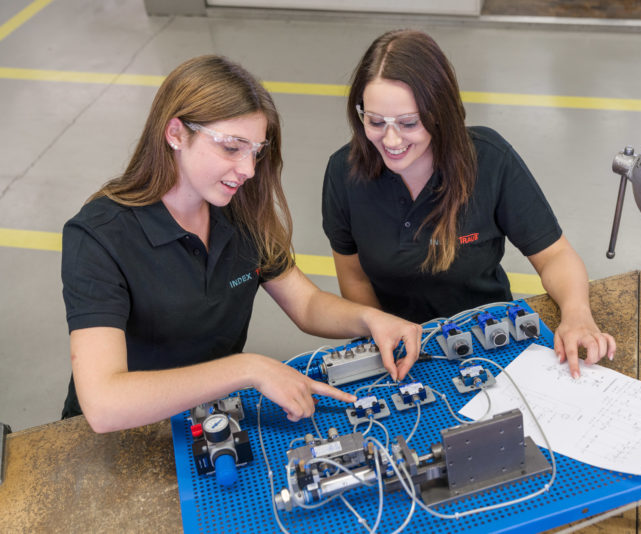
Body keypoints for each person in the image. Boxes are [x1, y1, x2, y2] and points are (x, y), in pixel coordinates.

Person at [61, 55, 421, 433]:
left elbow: (306, 303)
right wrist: (247, 368)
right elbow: (103, 405)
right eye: (232, 148)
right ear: (175, 134)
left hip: (209, 417)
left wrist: (370, 318)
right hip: (127, 434)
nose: (249, 170)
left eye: (256, 150)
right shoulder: (99, 237)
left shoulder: (239, 209)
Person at [322, 30, 615, 378]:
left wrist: (577, 313)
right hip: (400, 352)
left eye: (408, 123)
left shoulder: (489, 160)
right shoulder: (344, 173)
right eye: (374, 122)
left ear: (439, 113)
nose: (391, 139)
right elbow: (353, 277)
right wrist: (381, 337)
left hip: (489, 339)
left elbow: (554, 255)